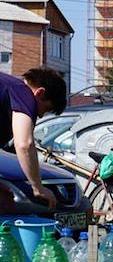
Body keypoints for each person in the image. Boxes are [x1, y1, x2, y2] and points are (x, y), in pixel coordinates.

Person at [0, 68, 67, 211]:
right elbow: (24, 144)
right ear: (40, 92)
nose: (41, 115)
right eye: (46, 108)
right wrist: (38, 187)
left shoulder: (7, 91)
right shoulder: (22, 92)